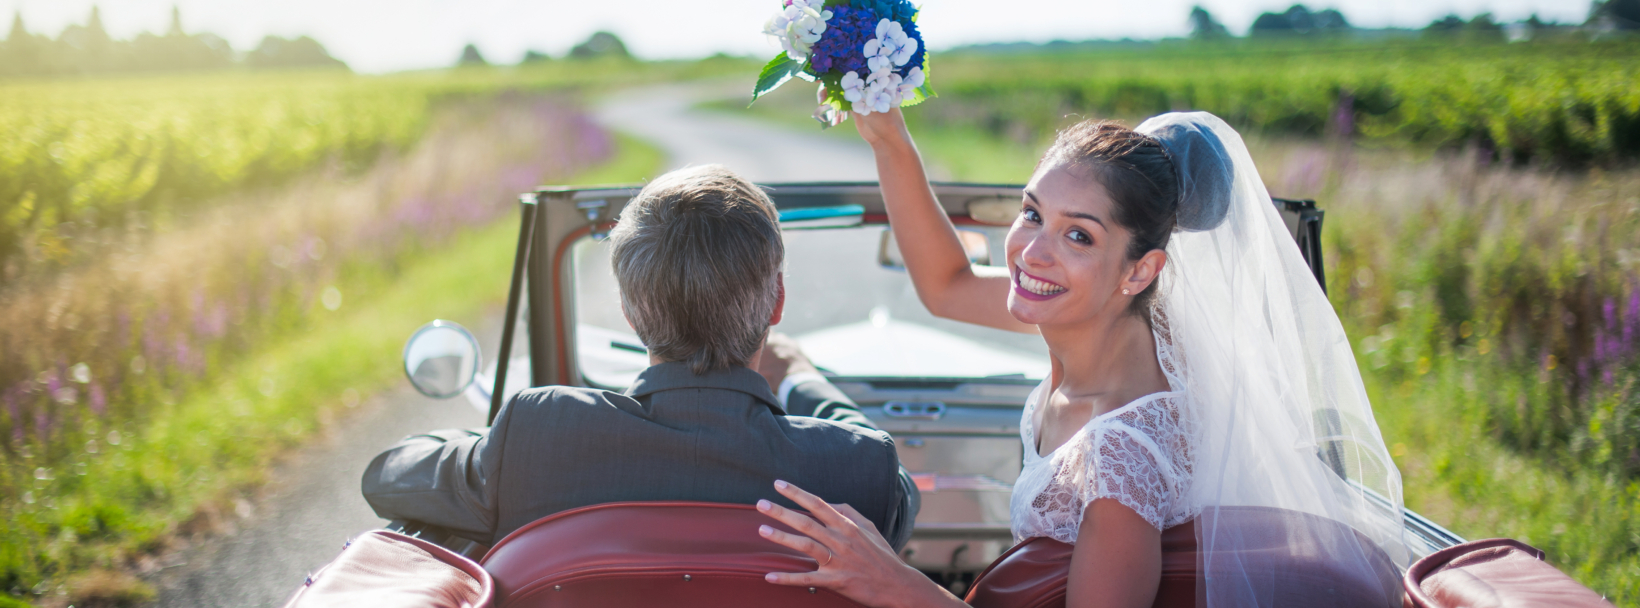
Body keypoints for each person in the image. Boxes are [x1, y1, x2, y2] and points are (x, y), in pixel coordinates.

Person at [753, 108, 1409, 608]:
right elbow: (947, 286)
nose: (1033, 253)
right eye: (1032, 213)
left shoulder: (1120, 465)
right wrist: (889, 138)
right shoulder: (1134, 326)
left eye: (1078, 235)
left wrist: (892, 579)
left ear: (1140, 269)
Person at [360, 164, 919, 550]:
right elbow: (887, 474)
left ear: (629, 312)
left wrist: (490, 447)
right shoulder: (855, 469)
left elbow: (386, 476)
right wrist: (800, 377)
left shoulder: (540, 438)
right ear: (777, 302)